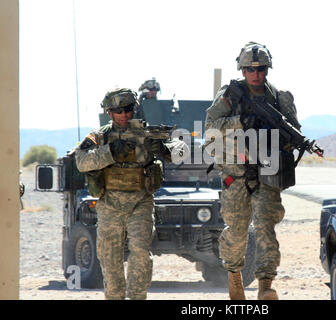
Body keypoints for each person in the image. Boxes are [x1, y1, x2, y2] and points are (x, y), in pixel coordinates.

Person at [205, 42, 301, 300]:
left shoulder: (279, 98)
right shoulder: (231, 95)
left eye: (260, 69)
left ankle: (265, 285)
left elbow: (293, 130)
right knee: (237, 231)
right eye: (250, 69)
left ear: (267, 70)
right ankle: (234, 277)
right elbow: (210, 127)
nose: (255, 74)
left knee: (265, 227)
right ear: (242, 69)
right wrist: (241, 122)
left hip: (267, 172)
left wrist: (288, 141)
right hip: (235, 173)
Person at [75, 87, 187, 300]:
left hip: (140, 202)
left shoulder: (147, 133)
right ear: (109, 112)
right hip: (110, 204)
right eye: (119, 110)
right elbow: (81, 161)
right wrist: (111, 152)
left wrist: (164, 149)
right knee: (110, 258)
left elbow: (183, 151)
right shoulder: (101, 136)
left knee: (140, 252)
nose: (125, 114)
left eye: (128, 109)